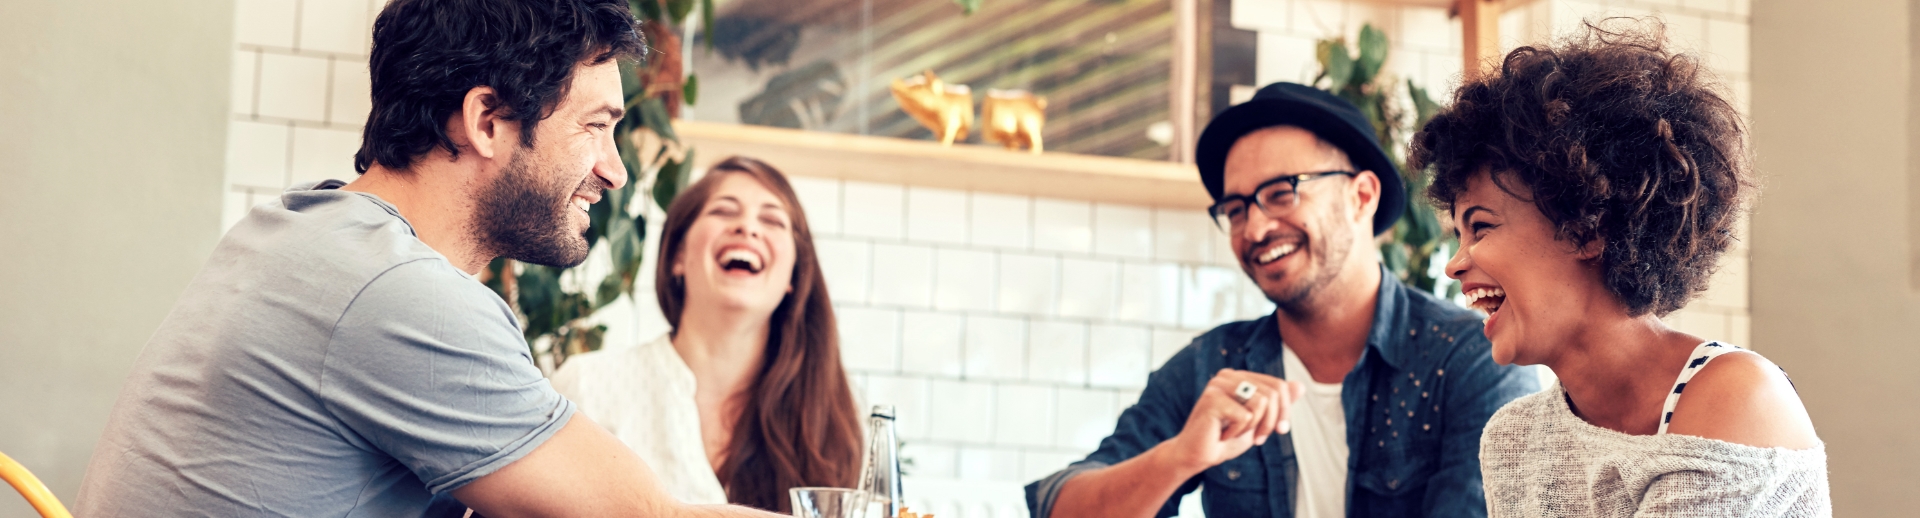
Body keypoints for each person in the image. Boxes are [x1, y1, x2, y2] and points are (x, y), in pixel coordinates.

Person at [75, 1, 784, 516]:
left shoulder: (298, 231)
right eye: (596, 127)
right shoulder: (399, 295)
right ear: (486, 121)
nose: (615, 171)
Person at [1025, 82, 1541, 518]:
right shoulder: (1214, 369)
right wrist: (1179, 457)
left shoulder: (1472, 360)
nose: (1254, 227)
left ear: (1361, 196)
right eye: (1235, 208)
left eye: (1281, 192)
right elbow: (1058, 502)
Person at [1412, 21, 1829, 516]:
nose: (1457, 265)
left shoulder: (1735, 397)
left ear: (1587, 228)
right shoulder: (1513, 439)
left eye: (1480, 228)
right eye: (1456, 235)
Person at [550, 156, 863, 513]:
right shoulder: (587, 387)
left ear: (793, 275)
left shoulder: (835, 416)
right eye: (724, 212)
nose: (748, 228)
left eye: (773, 219)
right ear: (677, 256)